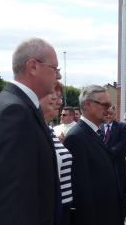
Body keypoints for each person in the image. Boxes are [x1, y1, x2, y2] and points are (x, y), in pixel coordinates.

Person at [0, 38, 62, 224]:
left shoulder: (12, 104)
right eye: (55, 69)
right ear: (32, 66)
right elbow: (14, 194)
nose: (58, 77)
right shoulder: (15, 112)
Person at [63, 85, 124, 224]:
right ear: (88, 104)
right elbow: (81, 192)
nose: (108, 109)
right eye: (105, 105)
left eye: (110, 105)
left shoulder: (95, 133)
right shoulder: (76, 137)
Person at [40, 84, 75, 224]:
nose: (59, 102)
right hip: (49, 205)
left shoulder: (49, 130)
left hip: (64, 201)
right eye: (54, 97)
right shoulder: (37, 131)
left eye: (60, 97)